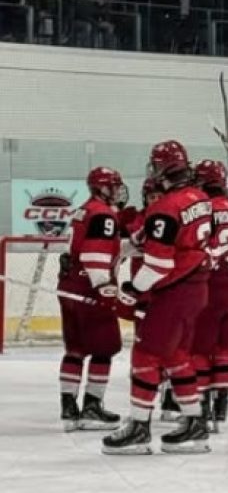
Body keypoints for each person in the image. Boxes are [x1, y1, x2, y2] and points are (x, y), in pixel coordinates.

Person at [102, 140, 213, 455]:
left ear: (162, 169)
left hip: (174, 291)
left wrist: (133, 290)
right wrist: (122, 250)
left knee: (146, 356)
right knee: (176, 356)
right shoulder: (200, 198)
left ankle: (139, 426)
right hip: (197, 289)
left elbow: (159, 263)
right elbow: (166, 239)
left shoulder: (166, 207)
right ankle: (195, 422)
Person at [57, 167, 125, 432]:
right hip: (90, 291)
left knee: (74, 350)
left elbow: (82, 249)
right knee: (104, 349)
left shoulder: (83, 210)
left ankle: (69, 407)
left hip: (69, 290)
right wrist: (105, 288)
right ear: (102, 188)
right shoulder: (103, 214)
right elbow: (94, 257)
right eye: (114, 186)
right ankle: (92, 407)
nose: (118, 190)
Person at [191, 160, 228, 425]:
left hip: (211, 288)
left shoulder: (203, 211)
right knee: (225, 349)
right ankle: (222, 406)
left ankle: (202, 407)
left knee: (201, 350)